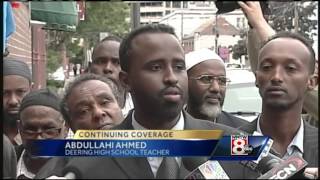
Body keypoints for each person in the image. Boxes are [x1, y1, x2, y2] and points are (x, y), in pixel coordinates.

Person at [40, 24, 256, 179]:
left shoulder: (236, 144)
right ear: (126, 80)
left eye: (179, 67)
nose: (171, 77)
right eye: (156, 67)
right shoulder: (87, 156)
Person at [240, 1, 319, 122]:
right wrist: (255, 24)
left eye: (290, 69)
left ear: (312, 81)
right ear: (257, 77)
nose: (276, 77)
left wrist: (259, 23)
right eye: (267, 68)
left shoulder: (311, 137)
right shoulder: (237, 139)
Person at [34, 73, 124, 179]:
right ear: (70, 125)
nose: (98, 113)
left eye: (104, 102)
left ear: (119, 105)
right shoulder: (58, 173)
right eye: (84, 111)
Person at [185, 48, 249, 128]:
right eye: (206, 79)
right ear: (185, 82)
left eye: (222, 81)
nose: (216, 88)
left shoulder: (242, 131)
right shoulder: (169, 127)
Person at [16, 89, 69, 179]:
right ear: (19, 128)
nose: (39, 139)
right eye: (30, 130)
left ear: (66, 128)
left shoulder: (79, 168)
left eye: (49, 130)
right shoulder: (7, 162)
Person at [89, 35, 134, 117]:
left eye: (117, 62)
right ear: (90, 68)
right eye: (101, 61)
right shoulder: (77, 111)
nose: (107, 68)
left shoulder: (142, 109)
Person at [3, 58, 33, 146]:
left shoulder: (49, 131)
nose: (13, 101)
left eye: (20, 92)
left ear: (31, 89)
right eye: (4, 93)